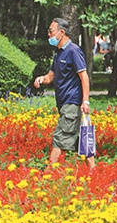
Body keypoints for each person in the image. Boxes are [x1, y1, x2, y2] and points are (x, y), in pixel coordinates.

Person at [34, 18, 93, 169]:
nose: (48, 34)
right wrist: (42, 79)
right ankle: (93, 173)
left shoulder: (73, 50)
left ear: (62, 32)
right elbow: (51, 75)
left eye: (51, 31)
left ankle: (47, 174)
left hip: (71, 103)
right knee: (83, 139)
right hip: (64, 103)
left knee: (59, 138)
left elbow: (84, 76)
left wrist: (85, 101)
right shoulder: (59, 53)